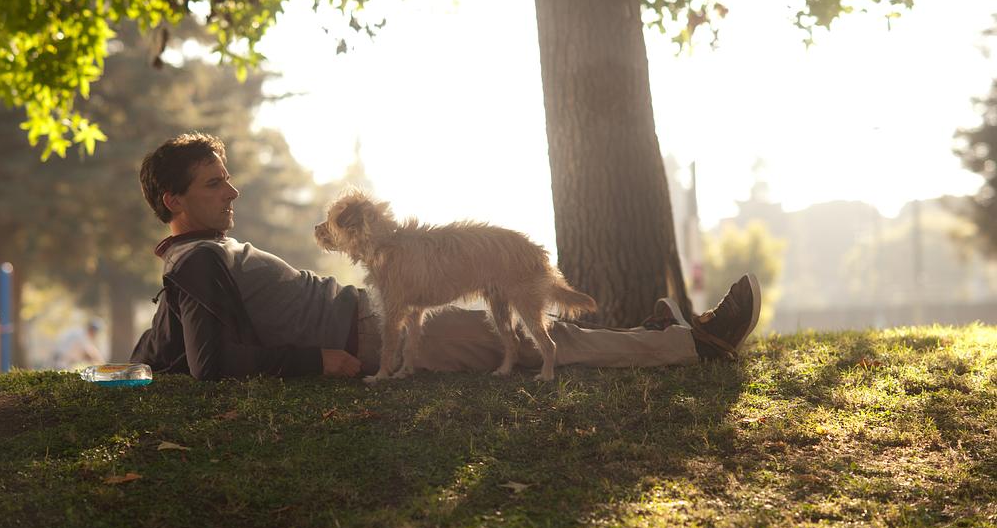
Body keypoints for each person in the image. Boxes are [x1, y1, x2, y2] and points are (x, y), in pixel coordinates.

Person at [131, 133, 761, 380]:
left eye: (227, 177)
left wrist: (133, 364)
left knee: (529, 328)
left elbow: (173, 343)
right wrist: (316, 360)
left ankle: (656, 334)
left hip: (376, 313)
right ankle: (694, 345)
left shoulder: (197, 261)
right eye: (214, 184)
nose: (232, 190)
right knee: (537, 342)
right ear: (172, 199)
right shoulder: (197, 261)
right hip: (381, 332)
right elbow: (209, 364)